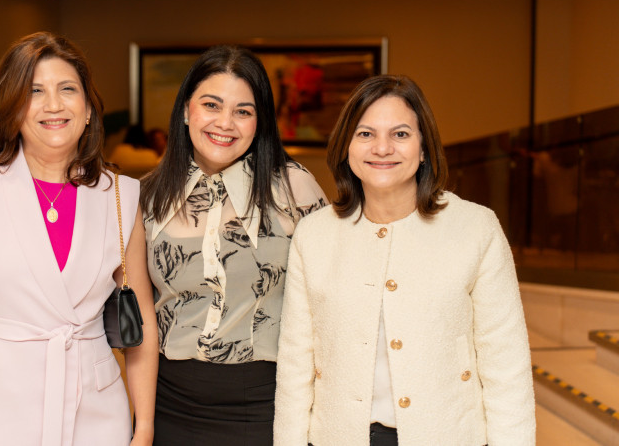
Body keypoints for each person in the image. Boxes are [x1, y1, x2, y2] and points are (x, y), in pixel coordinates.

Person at [0, 32, 158, 446]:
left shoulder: (120, 194)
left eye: (67, 90)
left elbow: (143, 318)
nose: (53, 105)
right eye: (34, 91)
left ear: (88, 109)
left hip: (93, 412)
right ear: (12, 108)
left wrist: (144, 426)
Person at [273, 75, 535, 445]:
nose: (382, 148)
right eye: (365, 134)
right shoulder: (314, 235)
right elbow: (296, 364)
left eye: (400, 134)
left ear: (424, 148)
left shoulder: (476, 229)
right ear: (347, 146)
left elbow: (506, 367)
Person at [140, 45, 327, 445]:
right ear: (187, 108)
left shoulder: (295, 189)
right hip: (167, 404)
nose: (225, 123)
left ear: (259, 122)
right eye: (211, 105)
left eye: (243, 111)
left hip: (263, 405)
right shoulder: (150, 195)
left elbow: (331, 302)